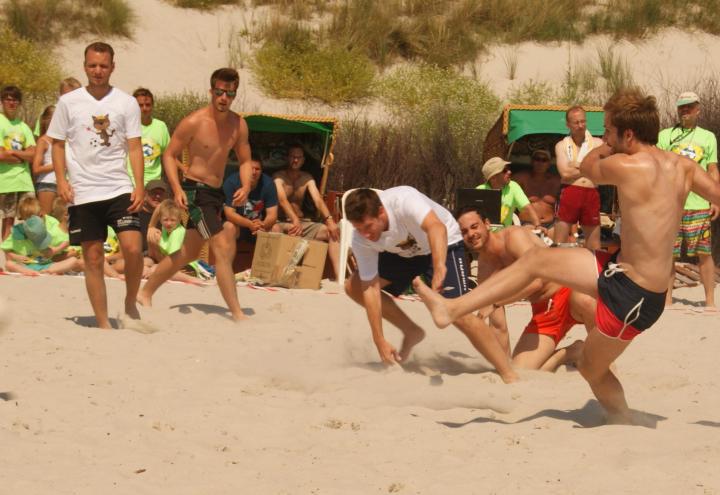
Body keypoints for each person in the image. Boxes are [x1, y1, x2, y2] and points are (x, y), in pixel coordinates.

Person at [414, 88, 720, 424]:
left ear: (627, 134)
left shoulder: (624, 165)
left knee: (591, 368)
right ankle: (452, 308)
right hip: (621, 271)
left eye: (608, 131)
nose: (603, 137)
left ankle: (624, 420)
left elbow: (582, 167)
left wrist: (601, 147)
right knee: (536, 261)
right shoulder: (684, 167)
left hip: (636, 298)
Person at [343, 187, 518, 383]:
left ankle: (508, 372)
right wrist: (379, 340)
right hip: (405, 253)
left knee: (460, 314)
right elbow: (370, 289)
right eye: (358, 228)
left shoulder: (403, 201)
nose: (365, 234)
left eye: (368, 227)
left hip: (444, 242)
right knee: (354, 287)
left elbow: (436, 227)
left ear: (381, 212)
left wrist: (439, 265)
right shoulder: (361, 238)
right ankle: (411, 330)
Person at [138, 67, 253, 322]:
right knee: (222, 246)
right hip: (194, 191)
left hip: (215, 193)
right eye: (220, 92)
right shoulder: (194, 121)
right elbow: (169, 155)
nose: (224, 98)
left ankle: (145, 292)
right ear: (211, 91)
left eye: (230, 94)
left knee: (188, 253)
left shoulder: (238, 125)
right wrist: (177, 188)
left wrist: (245, 186)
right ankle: (236, 313)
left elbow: (245, 160)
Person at [47, 41, 146, 329]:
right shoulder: (69, 102)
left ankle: (129, 301)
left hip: (118, 187)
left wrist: (139, 185)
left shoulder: (126, 102)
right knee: (92, 257)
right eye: (92, 65)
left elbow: (135, 146)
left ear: (113, 67)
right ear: (85, 66)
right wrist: (61, 181)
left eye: (103, 66)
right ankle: (103, 324)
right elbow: (56, 144)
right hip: (83, 191)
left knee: (131, 247)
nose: (98, 71)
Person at [456, 206, 594, 371]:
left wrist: (496, 303)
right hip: (545, 312)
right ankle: (571, 352)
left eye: (474, 226)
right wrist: (503, 367)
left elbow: (538, 280)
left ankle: (600, 357)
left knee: (586, 300)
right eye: (464, 232)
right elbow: (498, 326)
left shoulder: (514, 237)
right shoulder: (484, 273)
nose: (471, 234)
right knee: (521, 370)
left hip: (569, 291)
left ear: (486, 224)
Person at [658, 91, 719, 309]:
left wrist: (715, 199)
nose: (685, 111)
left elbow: (712, 168)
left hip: (699, 204)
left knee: (704, 253)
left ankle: (710, 300)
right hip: (672, 205)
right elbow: (659, 168)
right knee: (669, 255)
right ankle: (667, 300)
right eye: (682, 107)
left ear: (697, 109)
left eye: (689, 107)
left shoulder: (707, 137)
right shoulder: (665, 135)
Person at [273, 145, 340, 278]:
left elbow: (318, 201)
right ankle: (277, 272)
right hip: (283, 222)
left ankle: (339, 277)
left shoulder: (307, 178)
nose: (295, 160)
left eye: (299, 157)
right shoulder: (278, 176)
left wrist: (330, 221)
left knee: (332, 232)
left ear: (303, 160)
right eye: (293, 157)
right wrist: (294, 220)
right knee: (274, 228)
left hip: (303, 223)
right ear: (288, 158)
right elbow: (282, 199)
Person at [554, 106, 604, 249]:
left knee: (594, 244)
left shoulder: (597, 143)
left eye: (583, 121)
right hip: (569, 192)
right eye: (576, 122)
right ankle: (556, 270)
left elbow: (599, 170)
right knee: (560, 241)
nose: (581, 126)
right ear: (568, 124)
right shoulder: (561, 145)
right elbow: (564, 173)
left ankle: (593, 271)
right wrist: (588, 167)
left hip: (591, 193)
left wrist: (576, 165)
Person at [1, 196, 79, 276]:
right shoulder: (18, 231)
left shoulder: (50, 224)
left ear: (42, 214)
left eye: (39, 217)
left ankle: (48, 271)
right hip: (25, 265)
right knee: (9, 264)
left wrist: (56, 249)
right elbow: (7, 250)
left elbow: (62, 241)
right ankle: (28, 272)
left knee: (73, 260)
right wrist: (16, 257)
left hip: (45, 265)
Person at [0, 85, 36, 241]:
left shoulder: (23, 127)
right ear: (2, 102)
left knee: (32, 219)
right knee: (8, 221)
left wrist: (13, 152)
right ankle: (8, 262)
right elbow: (1, 155)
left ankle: (25, 257)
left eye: (15, 100)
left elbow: (33, 154)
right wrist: (23, 155)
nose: (11, 103)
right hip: (6, 182)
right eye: (8, 100)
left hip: (25, 181)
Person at [476, 156, 540, 229]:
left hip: (505, 236)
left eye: (508, 169)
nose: (509, 172)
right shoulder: (480, 190)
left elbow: (527, 208)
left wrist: (538, 225)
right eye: (504, 171)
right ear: (493, 177)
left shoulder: (513, 186)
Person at [223, 157, 278, 241]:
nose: (254, 172)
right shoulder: (231, 182)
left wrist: (262, 224)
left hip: (259, 227)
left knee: (276, 228)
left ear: (261, 171)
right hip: (239, 225)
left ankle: (270, 254)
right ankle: (228, 254)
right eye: (250, 168)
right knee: (228, 227)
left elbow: (272, 215)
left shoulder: (268, 184)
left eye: (257, 169)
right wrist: (249, 224)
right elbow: (229, 214)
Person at [513, 149, 561, 233]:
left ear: (549, 164)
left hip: (550, 224)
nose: (540, 163)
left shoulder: (556, 181)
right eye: (537, 159)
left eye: (544, 160)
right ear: (532, 161)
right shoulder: (521, 178)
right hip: (527, 223)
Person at [130, 87, 170, 186]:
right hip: (131, 181)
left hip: (154, 182)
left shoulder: (161, 126)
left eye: (147, 105)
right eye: (140, 105)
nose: (144, 108)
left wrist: (184, 168)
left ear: (152, 106)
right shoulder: (128, 126)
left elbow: (169, 154)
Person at [31, 105, 58, 215]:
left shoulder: (61, 141)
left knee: (59, 222)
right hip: (47, 184)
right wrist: (56, 165)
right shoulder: (43, 141)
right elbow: (36, 168)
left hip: (61, 183)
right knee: (46, 220)